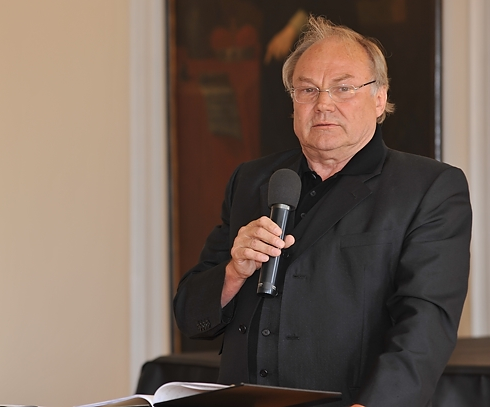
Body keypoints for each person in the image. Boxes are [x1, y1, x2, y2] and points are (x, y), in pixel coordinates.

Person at [173, 16, 472, 407]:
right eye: (308, 89)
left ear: (379, 98)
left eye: (343, 88)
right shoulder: (251, 180)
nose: (323, 104)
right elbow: (190, 315)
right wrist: (234, 272)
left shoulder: (429, 188)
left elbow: (424, 329)